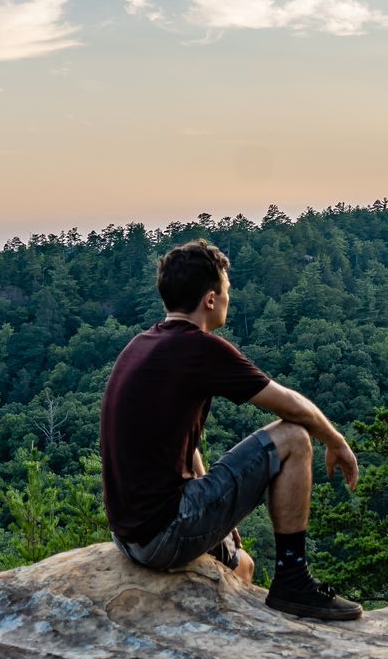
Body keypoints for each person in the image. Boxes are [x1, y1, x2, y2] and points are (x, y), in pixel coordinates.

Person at [98, 238, 364, 621]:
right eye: (226, 291)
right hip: (163, 533)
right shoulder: (200, 349)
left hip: (129, 534)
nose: (228, 298)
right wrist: (335, 440)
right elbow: (290, 405)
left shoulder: (142, 344)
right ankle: (293, 580)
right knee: (295, 437)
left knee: (243, 566)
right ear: (210, 299)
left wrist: (220, 520)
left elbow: (180, 445)